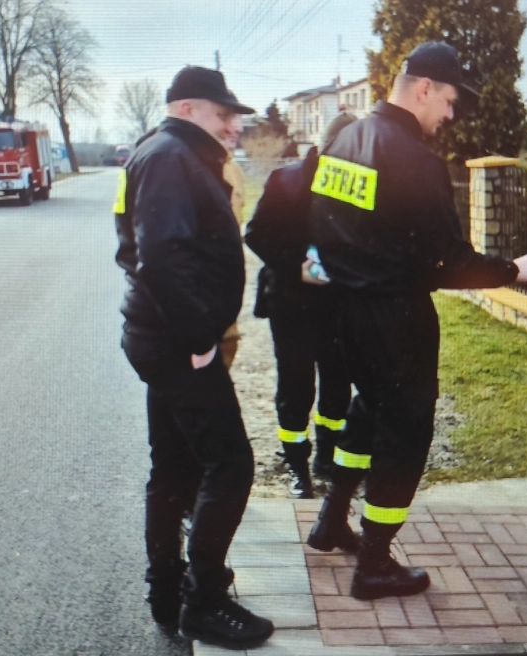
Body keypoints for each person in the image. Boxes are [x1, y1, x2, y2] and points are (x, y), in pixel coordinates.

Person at [306, 41, 527, 600]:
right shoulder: (416, 161)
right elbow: (448, 263)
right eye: (447, 101)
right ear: (423, 88)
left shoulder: (344, 140)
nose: (450, 115)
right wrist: (519, 268)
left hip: (344, 311)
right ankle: (374, 563)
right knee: (406, 430)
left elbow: (319, 222)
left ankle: (331, 519)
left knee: (367, 408)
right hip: (395, 319)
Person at [115, 65, 274, 648]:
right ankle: (203, 604)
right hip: (179, 347)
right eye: (222, 113)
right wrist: (199, 338)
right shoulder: (169, 157)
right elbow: (157, 256)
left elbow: (130, 247)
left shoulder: (164, 152)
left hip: (162, 341)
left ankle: (168, 591)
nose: (234, 124)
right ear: (186, 109)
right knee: (230, 466)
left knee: (175, 467)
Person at [245, 112, 357, 499]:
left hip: (337, 304)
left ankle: (325, 458)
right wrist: (297, 266)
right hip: (291, 303)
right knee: (295, 386)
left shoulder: (356, 186)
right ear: (327, 146)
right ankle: (297, 468)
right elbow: (256, 234)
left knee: (337, 383)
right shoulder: (287, 179)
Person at [218, 107, 246, 369]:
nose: (237, 127)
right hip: (197, 312)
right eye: (226, 117)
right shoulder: (178, 168)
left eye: (238, 119)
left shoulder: (234, 170)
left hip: (225, 307)